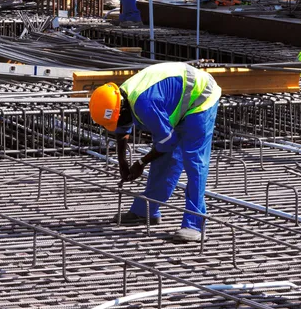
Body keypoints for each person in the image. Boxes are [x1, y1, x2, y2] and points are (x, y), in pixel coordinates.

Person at [88, 62, 222, 242]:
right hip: (176, 98)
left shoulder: (145, 104)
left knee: (194, 161)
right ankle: (145, 211)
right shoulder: (121, 98)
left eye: (117, 121)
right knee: (165, 158)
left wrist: (141, 163)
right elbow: (122, 128)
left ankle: (195, 225)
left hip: (201, 97)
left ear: (121, 110)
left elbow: (168, 142)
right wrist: (123, 163)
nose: (118, 126)